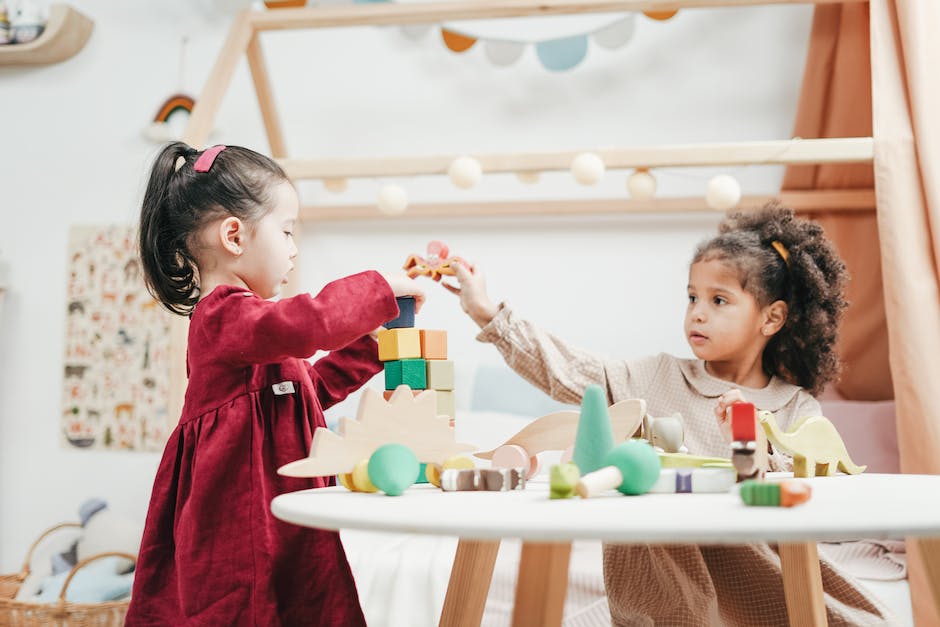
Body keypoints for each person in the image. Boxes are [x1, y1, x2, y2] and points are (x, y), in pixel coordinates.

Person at [445, 203, 893, 626]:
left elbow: (811, 487)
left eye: (719, 301)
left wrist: (751, 442)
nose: (697, 313)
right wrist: (486, 311)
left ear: (771, 318)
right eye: (692, 297)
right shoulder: (656, 377)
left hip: (759, 574)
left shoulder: (795, 407)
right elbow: (566, 368)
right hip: (667, 583)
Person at [126, 142, 424, 626]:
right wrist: (377, 290)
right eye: (286, 232)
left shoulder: (258, 334)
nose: (293, 248)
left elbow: (309, 389)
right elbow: (306, 326)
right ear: (234, 236)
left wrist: (373, 344)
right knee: (245, 608)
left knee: (304, 601)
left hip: (283, 516)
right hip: (238, 524)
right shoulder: (223, 317)